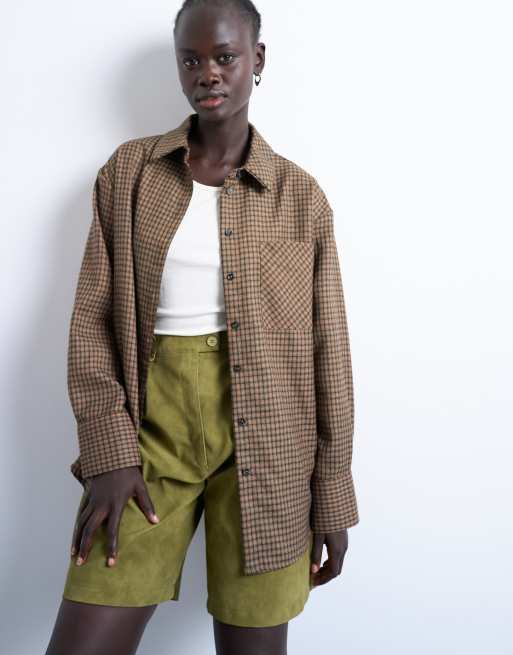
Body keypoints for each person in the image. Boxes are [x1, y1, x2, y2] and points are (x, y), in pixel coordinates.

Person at [45, 1, 359, 653]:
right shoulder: (129, 174)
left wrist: (332, 493)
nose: (207, 73)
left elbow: (329, 353)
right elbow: (91, 322)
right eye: (191, 60)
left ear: (257, 60)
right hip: (149, 438)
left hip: (271, 452)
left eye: (225, 57)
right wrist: (107, 455)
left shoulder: (300, 198)